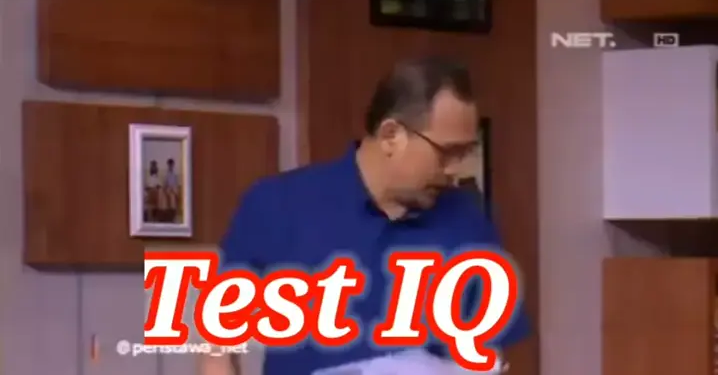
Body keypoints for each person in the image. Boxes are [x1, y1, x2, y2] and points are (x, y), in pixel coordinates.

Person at [201, 57, 530, 375]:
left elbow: (490, 355)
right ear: (391, 136)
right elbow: (217, 350)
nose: (456, 170)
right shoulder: (275, 205)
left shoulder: (470, 224)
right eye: (447, 153)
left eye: (465, 153)